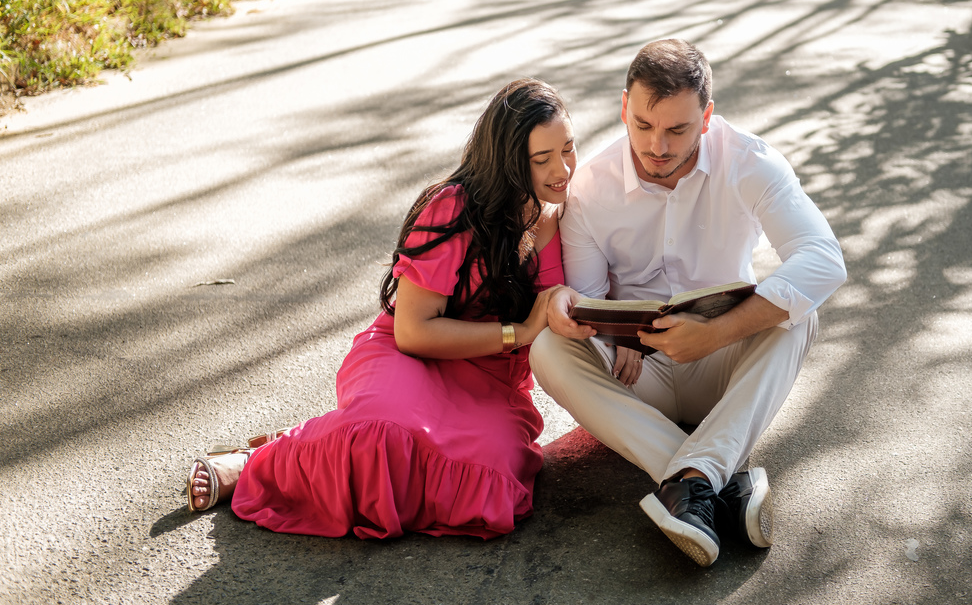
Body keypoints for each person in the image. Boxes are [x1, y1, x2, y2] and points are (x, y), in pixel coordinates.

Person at [184, 78, 577, 540]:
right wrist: (521, 331)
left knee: (491, 489)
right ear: (508, 162)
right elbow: (412, 332)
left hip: (492, 384)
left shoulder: (575, 212)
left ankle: (328, 438)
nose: (563, 170)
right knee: (380, 438)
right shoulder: (455, 208)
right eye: (541, 159)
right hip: (411, 356)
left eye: (568, 148)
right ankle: (259, 461)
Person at [530, 39, 846, 567]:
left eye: (677, 129)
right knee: (546, 347)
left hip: (722, 367)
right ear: (623, 107)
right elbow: (588, 295)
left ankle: (692, 484)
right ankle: (712, 479)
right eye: (643, 125)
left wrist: (716, 333)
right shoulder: (590, 186)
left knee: (799, 313)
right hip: (635, 378)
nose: (657, 146)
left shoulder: (751, 163)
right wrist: (611, 335)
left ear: (707, 118)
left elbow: (824, 260)